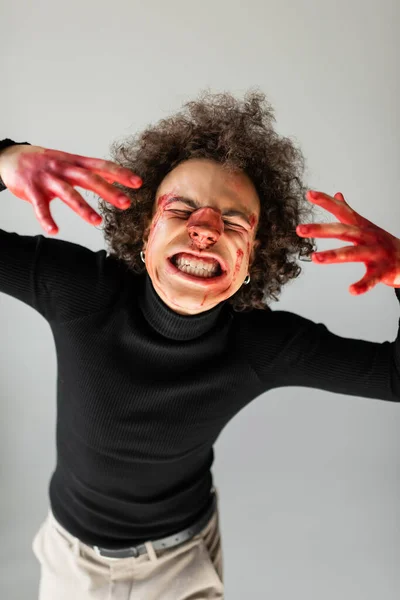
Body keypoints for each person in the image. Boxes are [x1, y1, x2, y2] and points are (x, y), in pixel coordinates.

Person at [0, 90, 399, 600]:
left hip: (183, 565)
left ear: (255, 259)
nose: (205, 230)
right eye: (182, 208)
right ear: (144, 234)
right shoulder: (78, 289)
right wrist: (5, 157)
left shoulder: (261, 346)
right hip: (70, 558)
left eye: (233, 223)